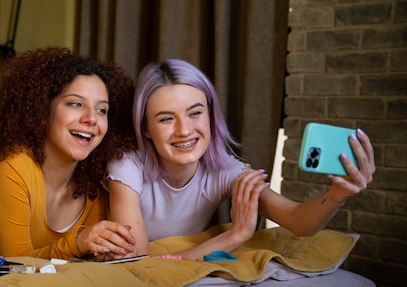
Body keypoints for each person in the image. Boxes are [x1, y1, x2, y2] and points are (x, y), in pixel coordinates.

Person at [107, 59, 376, 261]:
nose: (184, 130)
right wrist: (236, 235)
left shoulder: (225, 169)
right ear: (145, 128)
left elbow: (299, 222)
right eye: (166, 118)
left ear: (211, 116)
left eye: (195, 113)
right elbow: (138, 262)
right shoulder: (126, 165)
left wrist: (338, 194)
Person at [0, 47, 137, 260]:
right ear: (42, 109)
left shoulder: (97, 180)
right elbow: (16, 262)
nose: (91, 119)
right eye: (76, 104)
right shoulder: (11, 166)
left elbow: (88, 260)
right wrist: (76, 244)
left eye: (102, 110)